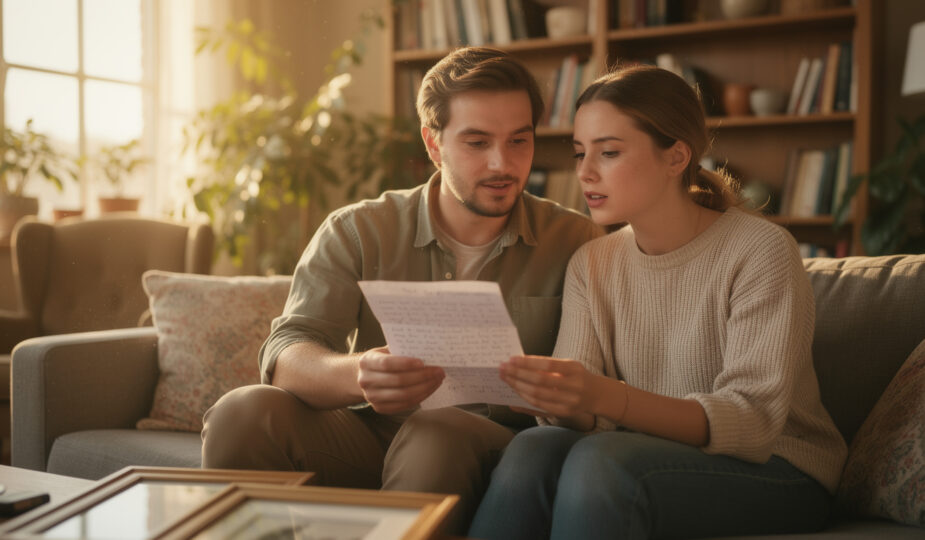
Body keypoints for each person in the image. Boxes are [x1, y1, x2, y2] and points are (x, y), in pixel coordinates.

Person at [200, 46, 603, 534]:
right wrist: (359, 373)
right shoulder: (357, 230)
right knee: (241, 412)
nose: (503, 163)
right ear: (433, 145)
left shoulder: (577, 241)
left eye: (519, 141)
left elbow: (598, 386)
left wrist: (554, 391)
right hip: (370, 433)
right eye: (477, 142)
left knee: (435, 432)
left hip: (497, 446)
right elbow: (288, 350)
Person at [468, 65, 848, 540]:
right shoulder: (592, 262)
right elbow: (588, 415)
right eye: (580, 153)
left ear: (676, 157)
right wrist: (552, 394)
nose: (584, 173)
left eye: (608, 152)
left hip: (781, 470)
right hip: (644, 454)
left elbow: (753, 424)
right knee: (534, 447)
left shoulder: (761, 250)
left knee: (600, 460)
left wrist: (604, 395)